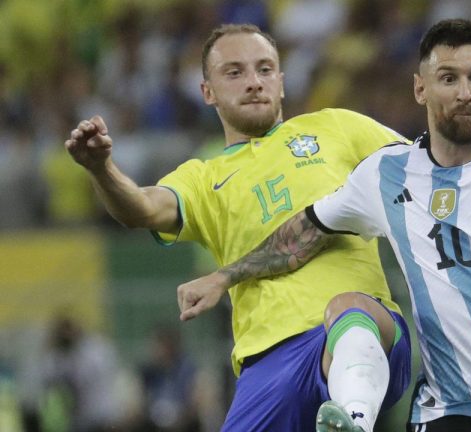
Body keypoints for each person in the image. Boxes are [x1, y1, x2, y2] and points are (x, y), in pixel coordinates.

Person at [178, 19, 471, 432]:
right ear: (421, 88)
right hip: (451, 409)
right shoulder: (385, 174)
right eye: (448, 79)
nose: (464, 93)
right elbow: (299, 238)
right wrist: (224, 276)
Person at [64, 24, 412, 432]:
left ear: (281, 83)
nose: (254, 82)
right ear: (207, 91)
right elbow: (139, 208)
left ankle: (355, 418)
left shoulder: (337, 127)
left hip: (362, 331)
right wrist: (101, 169)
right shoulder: (203, 176)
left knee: (349, 308)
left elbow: (425, 172)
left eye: (265, 69)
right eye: (234, 72)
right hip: (266, 362)